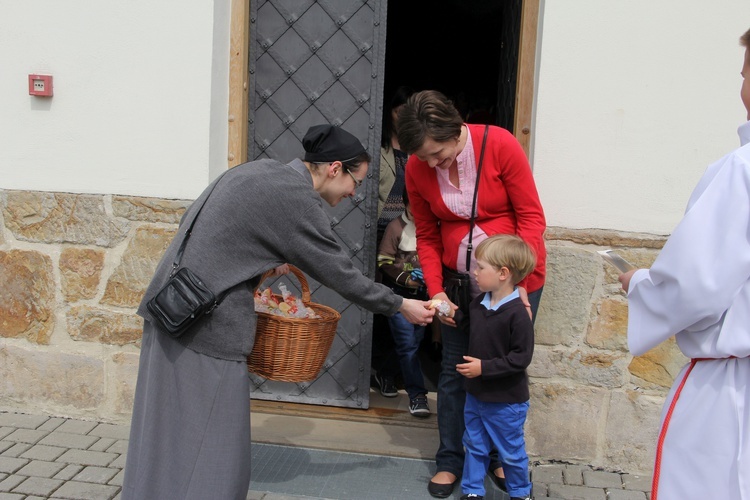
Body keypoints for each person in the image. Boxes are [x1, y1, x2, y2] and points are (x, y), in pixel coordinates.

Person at [121, 124, 435, 500]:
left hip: (171, 310)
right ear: (334, 168)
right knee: (214, 448)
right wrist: (400, 304)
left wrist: (254, 264)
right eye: (357, 181)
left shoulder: (259, 170)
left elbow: (205, 226)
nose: (355, 193)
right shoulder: (294, 198)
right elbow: (340, 273)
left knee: (161, 438)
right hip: (205, 332)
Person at [618, 30, 750, 500]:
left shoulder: (741, 169)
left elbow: (694, 287)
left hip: (732, 389)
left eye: (744, 72)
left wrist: (639, 285)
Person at [397, 90, 547, 498]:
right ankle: (451, 459)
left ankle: (497, 457)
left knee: (501, 369)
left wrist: (521, 286)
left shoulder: (499, 144)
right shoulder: (416, 165)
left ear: (455, 129)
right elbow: (426, 234)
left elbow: (531, 219)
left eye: (438, 153)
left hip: (511, 282)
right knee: (452, 371)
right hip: (458, 284)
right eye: (423, 158)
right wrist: (437, 291)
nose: (430, 164)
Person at [457, 235, 535, 500]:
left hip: (506, 401)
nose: (474, 272)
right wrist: (452, 315)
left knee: (511, 452)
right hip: (476, 396)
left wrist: (484, 368)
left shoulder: (517, 314)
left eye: (480, 267)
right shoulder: (479, 303)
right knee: (475, 446)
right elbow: (473, 329)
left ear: (503, 273)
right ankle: (472, 491)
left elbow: (521, 357)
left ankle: (521, 493)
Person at [372, 85, 415, 398]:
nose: (403, 118)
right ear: (390, 111)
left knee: (400, 303)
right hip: (378, 233)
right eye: (399, 111)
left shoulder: (418, 148)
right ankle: (375, 369)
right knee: (376, 302)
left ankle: (390, 372)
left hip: (410, 235)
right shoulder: (380, 146)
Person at [377, 187, 431, 417]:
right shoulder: (396, 227)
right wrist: (408, 280)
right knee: (408, 345)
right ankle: (417, 395)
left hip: (424, 296)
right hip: (400, 294)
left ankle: (385, 373)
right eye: (414, 208)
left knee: (412, 345)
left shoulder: (431, 226)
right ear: (405, 205)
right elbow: (384, 261)